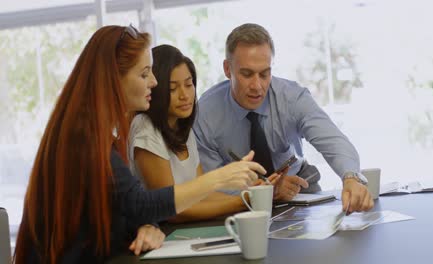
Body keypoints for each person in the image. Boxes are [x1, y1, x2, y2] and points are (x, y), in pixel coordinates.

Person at [14, 25, 264, 264]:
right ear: (112, 79)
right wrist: (220, 178)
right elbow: (139, 203)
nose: (154, 82)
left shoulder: (100, 136)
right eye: (144, 74)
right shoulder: (83, 139)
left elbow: (126, 206)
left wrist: (148, 226)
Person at [193, 23, 373, 214]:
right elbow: (212, 185)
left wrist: (351, 177)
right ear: (228, 69)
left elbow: (332, 140)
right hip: (236, 199)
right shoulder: (204, 115)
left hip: (296, 186)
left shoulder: (292, 98)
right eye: (247, 74)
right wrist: (264, 191)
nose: (257, 86)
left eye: (264, 74)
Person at [128, 44, 274, 223]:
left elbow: (202, 195)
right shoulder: (145, 127)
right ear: (155, 90)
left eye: (189, 85)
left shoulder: (183, 128)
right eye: (173, 89)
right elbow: (171, 210)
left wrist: (250, 194)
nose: (185, 95)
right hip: (160, 235)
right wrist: (242, 202)